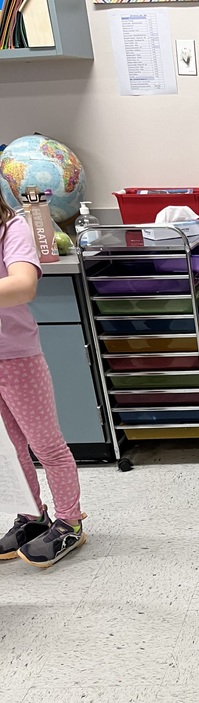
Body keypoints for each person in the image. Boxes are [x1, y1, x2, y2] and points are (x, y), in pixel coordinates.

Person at [0, 195, 87, 568]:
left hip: (16, 357)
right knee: (11, 450)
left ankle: (69, 521)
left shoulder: (12, 229)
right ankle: (32, 515)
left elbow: (23, 286)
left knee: (46, 446)